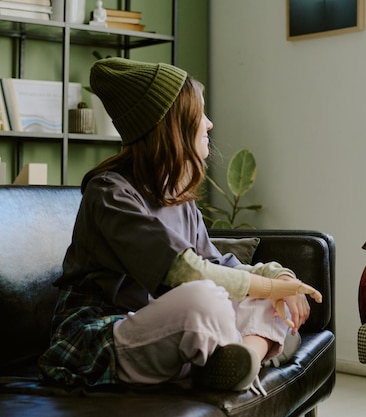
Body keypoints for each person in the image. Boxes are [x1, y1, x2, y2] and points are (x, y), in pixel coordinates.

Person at [38, 57, 322, 395]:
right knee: (204, 297)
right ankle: (248, 352)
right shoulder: (109, 193)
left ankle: (241, 359)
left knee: (264, 301)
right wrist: (269, 288)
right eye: (200, 114)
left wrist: (280, 278)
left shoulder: (177, 195)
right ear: (172, 125)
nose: (210, 123)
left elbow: (219, 267)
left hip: (167, 331)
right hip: (105, 334)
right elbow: (186, 273)